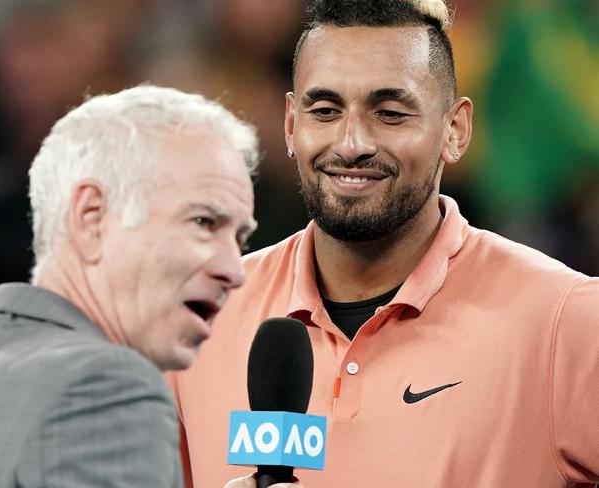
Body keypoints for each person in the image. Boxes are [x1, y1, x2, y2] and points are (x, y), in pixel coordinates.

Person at [168, 1, 599, 486]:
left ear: (455, 130)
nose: (352, 143)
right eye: (325, 110)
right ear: (292, 124)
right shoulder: (198, 319)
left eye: (390, 113)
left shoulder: (566, 321)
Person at [0, 85, 299, 488]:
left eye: (239, 239)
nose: (233, 270)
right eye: (204, 222)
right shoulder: (107, 386)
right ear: (92, 217)